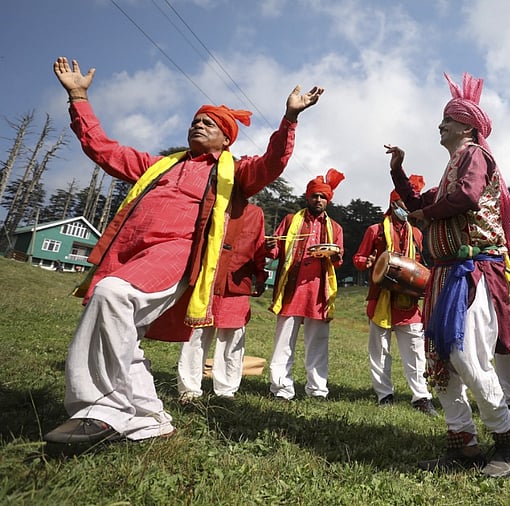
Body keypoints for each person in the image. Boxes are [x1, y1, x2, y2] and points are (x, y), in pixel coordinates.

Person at [44, 56, 324, 446]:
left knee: (113, 296)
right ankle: (147, 418)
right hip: (130, 254)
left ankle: (100, 410)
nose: (198, 124)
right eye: (196, 119)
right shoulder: (158, 165)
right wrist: (78, 97)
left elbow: (272, 162)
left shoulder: (234, 172)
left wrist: (289, 119)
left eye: (209, 123)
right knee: (118, 321)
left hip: (178, 255)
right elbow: (104, 150)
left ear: (227, 139)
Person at [385, 71, 510, 478]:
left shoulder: (474, 157)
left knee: (466, 355)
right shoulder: (452, 167)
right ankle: (462, 443)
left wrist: (425, 214)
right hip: (446, 274)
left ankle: (507, 441)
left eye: (448, 118)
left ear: (467, 126)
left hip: (473, 269)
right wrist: (399, 170)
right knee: (440, 359)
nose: (440, 124)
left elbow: (464, 198)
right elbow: (417, 200)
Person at [352, 181, 438, 416]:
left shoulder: (417, 233)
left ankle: (421, 396)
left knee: (415, 350)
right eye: (403, 203)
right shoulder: (375, 230)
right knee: (379, 349)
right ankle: (384, 395)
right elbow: (359, 258)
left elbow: (420, 264)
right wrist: (367, 263)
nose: (407, 207)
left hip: (408, 303)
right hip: (380, 298)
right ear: (393, 203)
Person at [176, 203, 268, 401]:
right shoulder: (210, 205)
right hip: (207, 280)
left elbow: (259, 248)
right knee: (197, 332)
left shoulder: (255, 213)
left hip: (237, 283)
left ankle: (226, 390)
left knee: (233, 336)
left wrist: (260, 277)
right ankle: (189, 389)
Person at [268, 170, 345, 400]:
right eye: (315, 196)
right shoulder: (291, 221)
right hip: (291, 291)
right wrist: (269, 246)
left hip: (319, 293)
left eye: (323, 197)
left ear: (327, 200)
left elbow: (338, 259)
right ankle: (281, 389)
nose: (318, 200)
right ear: (307, 197)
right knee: (283, 343)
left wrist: (332, 254)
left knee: (318, 343)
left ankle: (317, 391)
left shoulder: (336, 228)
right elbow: (275, 249)